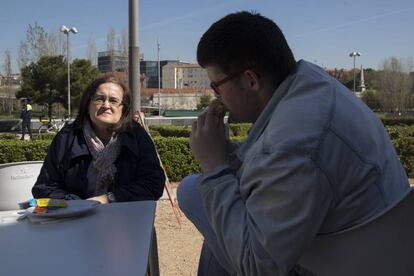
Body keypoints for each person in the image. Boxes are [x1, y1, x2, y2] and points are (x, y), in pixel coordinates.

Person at [177, 11, 410, 276]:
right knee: (217, 214)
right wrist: (223, 153)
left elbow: (258, 266)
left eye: (216, 86)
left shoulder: (295, 145)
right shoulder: (312, 87)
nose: (214, 95)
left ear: (251, 79)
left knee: (191, 191)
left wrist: (214, 167)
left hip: (349, 261)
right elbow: (260, 164)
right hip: (375, 244)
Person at [32, 76, 165, 203]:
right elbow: (44, 187)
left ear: (123, 108)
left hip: (126, 218)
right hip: (76, 219)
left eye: (113, 101)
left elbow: (153, 184)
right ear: (87, 104)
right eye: (99, 99)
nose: (106, 105)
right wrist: (75, 203)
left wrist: (109, 199)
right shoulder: (66, 138)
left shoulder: (137, 136)